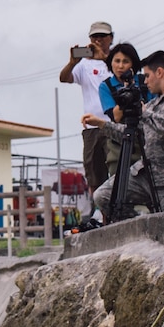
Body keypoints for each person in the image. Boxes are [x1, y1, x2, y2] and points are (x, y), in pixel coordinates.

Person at [91, 51, 164, 219]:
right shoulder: (153, 105)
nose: (145, 81)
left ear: (160, 72)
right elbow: (134, 134)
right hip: (144, 176)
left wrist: (144, 113)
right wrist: (102, 124)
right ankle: (139, 226)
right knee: (103, 196)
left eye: (147, 75)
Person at [59, 21, 114, 198]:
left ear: (110, 38)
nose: (98, 40)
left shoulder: (116, 60)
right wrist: (72, 63)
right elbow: (64, 78)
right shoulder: (84, 64)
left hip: (113, 125)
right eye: (94, 37)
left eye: (102, 36)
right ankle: (99, 212)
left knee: (116, 169)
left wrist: (104, 58)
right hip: (91, 128)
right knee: (94, 172)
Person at [85, 42, 148, 181]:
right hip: (121, 141)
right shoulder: (106, 86)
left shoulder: (145, 81)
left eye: (126, 61)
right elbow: (116, 116)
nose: (120, 66)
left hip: (147, 139)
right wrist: (128, 90)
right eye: (117, 61)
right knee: (118, 182)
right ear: (110, 63)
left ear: (133, 64)